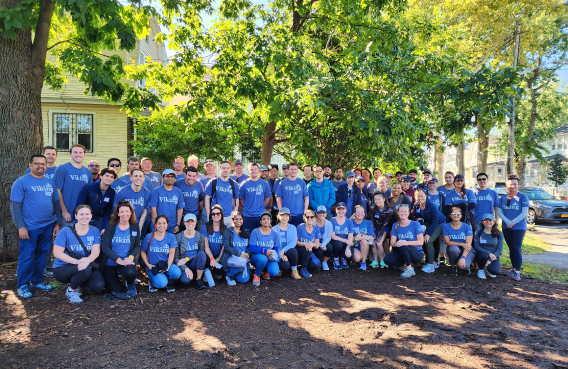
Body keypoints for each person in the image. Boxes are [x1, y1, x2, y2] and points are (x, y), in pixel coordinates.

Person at [11, 154, 61, 298]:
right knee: (26, 257)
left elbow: (56, 203)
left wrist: (57, 223)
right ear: (30, 165)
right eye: (37, 163)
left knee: (42, 255)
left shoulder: (49, 182)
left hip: (47, 225)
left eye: (43, 164)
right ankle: (23, 285)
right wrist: (21, 226)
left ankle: (37, 281)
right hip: (29, 227)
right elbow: (15, 205)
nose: (41, 166)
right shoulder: (21, 182)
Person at [52, 205, 105, 303]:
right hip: (63, 267)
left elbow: (95, 251)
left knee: (98, 285)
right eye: (81, 214)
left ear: (91, 216)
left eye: (87, 214)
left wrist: (87, 260)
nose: (84, 217)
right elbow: (57, 253)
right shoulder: (65, 231)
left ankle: (78, 283)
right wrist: (77, 262)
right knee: (86, 269)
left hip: (84, 264)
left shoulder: (95, 231)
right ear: (76, 216)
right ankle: (71, 290)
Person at [100, 201, 140, 300]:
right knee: (115, 291)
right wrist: (118, 260)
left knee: (131, 273)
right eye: (122, 212)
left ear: (131, 212)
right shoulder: (111, 227)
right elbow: (105, 247)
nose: (124, 214)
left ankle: (130, 283)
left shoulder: (135, 227)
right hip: (111, 262)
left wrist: (130, 257)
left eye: (127, 211)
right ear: (118, 213)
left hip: (126, 260)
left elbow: (136, 246)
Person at [498, 174, 529, 281]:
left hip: (519, 227)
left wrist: (513, 222)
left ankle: (517, 272)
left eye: (515, 184)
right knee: (512, 249)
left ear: (518, 185)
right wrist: (507, 222)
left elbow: (524, 212)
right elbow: (500, 212)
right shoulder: (502, 197)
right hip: (506, 227)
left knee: (516, 248)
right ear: (507, 185)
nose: (513, 186)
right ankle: (514, 269)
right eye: (511, 184)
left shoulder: (522, 196)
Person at [141, 214, 181, 292]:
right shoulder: (149, 237)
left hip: (165, 264)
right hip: (153, 266)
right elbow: (142, 252)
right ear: (155, 224)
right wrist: (148, 265)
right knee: (162, 283)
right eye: (159, 223)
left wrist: (168, 266)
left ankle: (170, 283)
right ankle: (153, 282)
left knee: (176, 272)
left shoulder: (171, 237)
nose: (161, 225)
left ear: (167, 224)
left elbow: (171, 253)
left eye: (164, 223)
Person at [54, 144, 92, 226]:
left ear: (84, 155)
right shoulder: (62, 168)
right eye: (75, 152)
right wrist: (64, 211)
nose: (78, 155)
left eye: (80, 152)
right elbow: (57, 191)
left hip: (82, 215)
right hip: (66, 214)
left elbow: (89, 194)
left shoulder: (88, 172)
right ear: (70, 154)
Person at [384, 204, 424, 278]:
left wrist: (406, 243)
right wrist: (397, 244)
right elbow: (392, 242)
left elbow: (421, 242)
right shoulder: (395, 225)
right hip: (402, 251)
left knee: (403, 246)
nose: (403, 213)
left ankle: (410, 269)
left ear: (408, 213)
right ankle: (405, 264)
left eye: (405, 211)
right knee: (387, 260)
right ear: (398, 213)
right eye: (401, 211)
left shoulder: (415, 224)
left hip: (416, 253)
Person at [412, 189, 445, 273]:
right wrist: (422, 227)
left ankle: (431, 264)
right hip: (427, 224)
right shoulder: (416, 205)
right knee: (420, 237)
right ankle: (429, 261)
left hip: (439, 224)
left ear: (426, 196)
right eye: (417, 196)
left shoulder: (432, 206)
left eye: (422, 196)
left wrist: (428, 234)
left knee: (428, 240)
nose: (420, 198)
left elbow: (436, 221)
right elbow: (418, 217)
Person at [174, 213, 207, 290]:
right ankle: (185, 274)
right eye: (188, 222)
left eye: (192, 221)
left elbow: (201, 254)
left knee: (202, 254)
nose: (190, 224)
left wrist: (187, 258)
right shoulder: (178, 237)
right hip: (183, 264)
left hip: (194, 263)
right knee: (185, 281)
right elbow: (175, 258)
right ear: (184, 223)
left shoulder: (200, 236)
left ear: (196, 223)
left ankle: (198, 280)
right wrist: (185, 268)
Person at [249, 212, 281, 286]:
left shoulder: (274, 233)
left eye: (268, 219)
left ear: (270, 221)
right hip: (257, 257)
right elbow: (252, 248)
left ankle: (266, 270)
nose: (266, 220)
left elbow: (276, 248)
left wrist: (272, 256)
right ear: (260, 221)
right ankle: (257, 275)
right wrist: (265, 251)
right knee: (263, 258)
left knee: (274, 272)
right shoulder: (255, 232)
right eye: (263, 219)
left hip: (269, 256)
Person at [149, 169, 184, 233]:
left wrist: (178, 225)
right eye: (167, 176)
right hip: (159, 225)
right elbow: (153, 209)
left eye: (172, 176)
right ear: (162, 178)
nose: (170, 178)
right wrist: (156, 224)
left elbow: (180, 209)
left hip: (172, 226)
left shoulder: (178, 192)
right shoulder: (156, 191)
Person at [221, 210, 251, 285]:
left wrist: (247, 254)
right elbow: (227, 246)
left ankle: (236, 271)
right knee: (240, 264)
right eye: (236, 219)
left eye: (240, 219)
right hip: (232, 256)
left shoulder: (246, 232)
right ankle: (229, 275)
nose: (238, 221)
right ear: (233, 220)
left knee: (243, 280)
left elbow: (250, 246)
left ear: (243, 220)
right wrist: (239, 254)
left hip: (244, 257)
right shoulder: (228, 232)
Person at [443, 206, 475, 276]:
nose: (456, 215)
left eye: (458, 214)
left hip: (467, 250)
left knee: (464, 266)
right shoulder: (446, 226)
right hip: (455, 249)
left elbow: (468, 245)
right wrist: (462, 244)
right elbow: (448, 242)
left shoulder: (467, 227)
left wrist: (463, 257)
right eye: (453, 214)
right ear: (450, 215)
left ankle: (463, 264)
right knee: (453, 249)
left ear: (461, 215)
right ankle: (453, 266)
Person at [239, 163, 272, 231]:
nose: (253, 171)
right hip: (247, 216)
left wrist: (261, 206)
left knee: (261, 237)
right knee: (247, 237)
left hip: (260, 215)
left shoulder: (265, 184)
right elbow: (241, 200)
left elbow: (267, 198)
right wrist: (248, 207)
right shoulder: (244, 185)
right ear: (248, 171)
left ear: (258, 171)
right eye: (251, 170)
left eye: (255, 169)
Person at [204, 161, 238, 227]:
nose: (225, 170)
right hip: (215, 215)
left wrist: (235, 215)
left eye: (227, 168)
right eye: (223, 168)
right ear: (220, 169)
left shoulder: (234, 184)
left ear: (230, 170)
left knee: (228, 236)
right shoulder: (213, 182)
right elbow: (207, 198)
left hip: (229, 216)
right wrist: (208, 215)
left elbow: (236, 199)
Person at [273, 208, 301, 279]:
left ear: (289, 217)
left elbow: (293, 242)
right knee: (285, 265)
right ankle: (279, 268)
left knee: (293, 250)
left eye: (286, 216)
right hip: (278, 253)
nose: (284, 218)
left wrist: (283, 250)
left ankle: (294, 270)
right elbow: (273, 245)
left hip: (288, 252)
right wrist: (280, 254)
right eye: (282, 215)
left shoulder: (293, 227)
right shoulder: (274, 229)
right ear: (279, 216)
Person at [174, 166, 205, 230]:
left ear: (196, 176)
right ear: (185, 175)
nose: (191, 178)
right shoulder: (177, 183)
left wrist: (201, 213)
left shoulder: (199, 184)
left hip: (195, 216)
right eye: (189, 175)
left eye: (194, 176)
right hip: (181, 216)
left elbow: (201, 200)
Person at [473, 214, 503, 279]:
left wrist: (490, 259)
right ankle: (480, 270)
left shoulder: (499, 233)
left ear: (494, 222)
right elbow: (476, 246)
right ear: (482, 222)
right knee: (483, 256)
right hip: (482, 253)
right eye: (486, 220)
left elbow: (499, 249)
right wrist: (488, 253)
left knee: (494, 272)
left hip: (493, 255)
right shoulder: (478, 231)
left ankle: (489, 268)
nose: (488, 222)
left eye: (490, 220)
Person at [369, 191, 393, 269]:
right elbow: (372, 221)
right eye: (375, 199)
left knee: (379, 244)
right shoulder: (372, 208)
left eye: (379, 199)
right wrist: (374, 234)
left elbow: (385, 224)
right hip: (374, 229)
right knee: (374, 244)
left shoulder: (389, 210)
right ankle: (375, 261)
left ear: (383, 199)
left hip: (384, 229)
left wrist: (379, 236)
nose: (377, 201)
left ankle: (382, 261)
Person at [295, 209, 323, 277]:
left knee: (316, 266)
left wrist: (312, 244)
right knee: (307, 248)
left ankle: (304, 265)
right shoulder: (300, 227)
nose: (309, 218)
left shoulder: (316, 229)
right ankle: (303, 269)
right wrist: (306, 244)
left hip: (310, 251)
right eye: (307, 217)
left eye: (311, 217)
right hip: (300, 250)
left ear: (314, 218)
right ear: (304, 218)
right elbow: (295, 242)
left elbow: (316, 245)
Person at [201, 204, 226, 277]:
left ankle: (214, 271)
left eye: (218, 213)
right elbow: (206, 245)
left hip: (219, 255)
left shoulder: (226, 228)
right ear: (211, 215)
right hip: (208, 255)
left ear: (221, 215)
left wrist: (218, 259)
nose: (215, 215)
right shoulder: (205, 227)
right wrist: (212, 258)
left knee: (219, 274)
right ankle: (206, 271)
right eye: (213, 214)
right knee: (204, 260)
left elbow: (224, 247)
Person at [329, 202, 354, 270]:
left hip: (345, 243)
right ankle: (336, 259)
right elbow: (333, 236)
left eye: (342, 209)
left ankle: (343, 259)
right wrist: (345, 241)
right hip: (336, 242)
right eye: (339, 209)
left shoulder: (349, 222)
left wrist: (348, 247)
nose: (341, 211)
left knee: (350, 256)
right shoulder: (333, 220)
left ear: (346, 210)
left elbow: (350, 236)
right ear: (336, 210)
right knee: (338, 244)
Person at [350, 205, 374, 270]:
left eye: (362, 212)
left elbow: (371, 237)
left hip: (364, 245)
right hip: (353, 245)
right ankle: (355, 258)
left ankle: (363, 262)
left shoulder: (368, 222)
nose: (360, 214)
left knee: (363, 240)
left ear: (364, 213)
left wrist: (361, 236)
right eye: (358, 212)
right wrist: (355, 238)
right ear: (354, 213)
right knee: (357, 258)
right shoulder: (351, 222)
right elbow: (347, 238)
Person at [314, 205, 333, 270]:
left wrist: (323, 244)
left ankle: (324, 262)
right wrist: (320, 245)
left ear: (326, 214)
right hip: (315, 243)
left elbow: (328, 236)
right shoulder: (313, 223)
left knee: (329, 247)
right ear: (316, 214)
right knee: (319, 252)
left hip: (324, 242)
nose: (321, 214)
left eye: (323, 213)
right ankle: (317, 262)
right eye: (319, 213)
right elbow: (311, 238)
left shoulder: (329, 223)